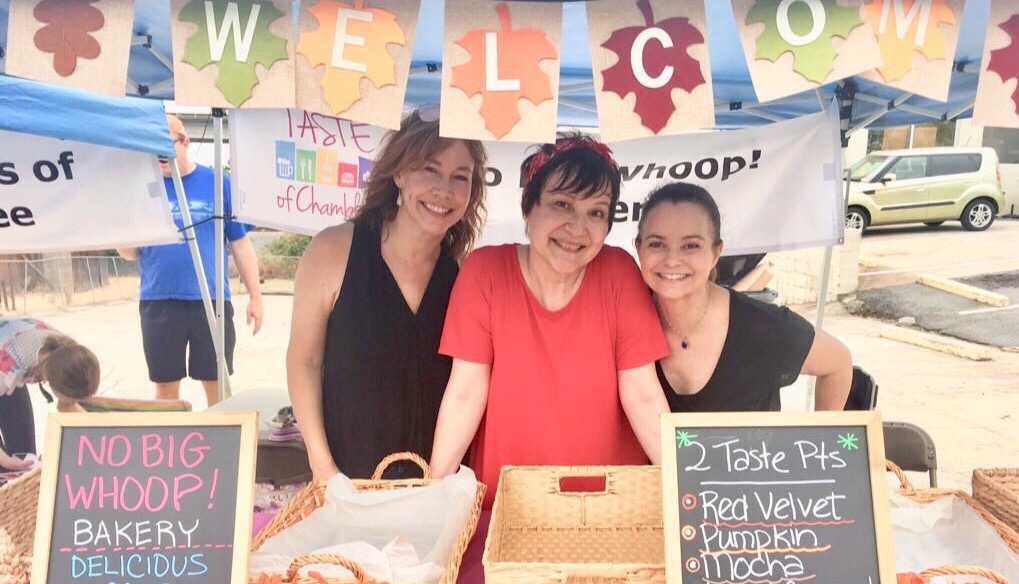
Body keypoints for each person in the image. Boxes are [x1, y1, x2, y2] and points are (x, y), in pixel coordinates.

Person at [428, 134, 670, 503]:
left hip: (610, 509)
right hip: (507, 507)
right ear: (528, 207)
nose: (577, 227)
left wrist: (685, 490)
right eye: (561, 204)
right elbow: (465, 394)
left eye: (596, 212)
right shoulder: (485, 271)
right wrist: (433, 494)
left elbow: (643, 396)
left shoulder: (619, 272)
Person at [286, 109, 488, 482]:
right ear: (399, 173)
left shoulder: (464, 273)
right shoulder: (334, 250)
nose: (444, 190)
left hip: (433, 487)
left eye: (461, 177)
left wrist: (438, 485)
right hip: (346, 484)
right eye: (430, 169)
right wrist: (323, 466)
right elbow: (304, 362)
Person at [634, 182, 852, 412]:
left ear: (715, 254)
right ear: (639, 248)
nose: (671, 260)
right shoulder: (624, 318)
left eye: (690, 246)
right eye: (657, 244)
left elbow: (838, 363)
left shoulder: (761, 325)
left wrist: (820, 433)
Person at [116, 113, 263, 407]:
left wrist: (255, 297)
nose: (160, 152)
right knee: (165, 388)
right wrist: (128, 224)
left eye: (167, 142)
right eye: (152, 145)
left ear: (185, 143)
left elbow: (240, 244)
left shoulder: (218, 184)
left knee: (218, 384)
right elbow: (129, 253)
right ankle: (169, 437)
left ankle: (219, 435)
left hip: (211, 299)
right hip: (159, 300)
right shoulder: (143, 188)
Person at [0, 317, 100, 471]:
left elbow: (68, 409)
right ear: (52, 382)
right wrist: (6, 461)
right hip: (6, 361)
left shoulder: (67, 353)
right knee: (5, 467)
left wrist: (102, 432)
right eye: (71, 399)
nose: (72, 404)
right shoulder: (8, 365)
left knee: (25, 457)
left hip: (14, 367)